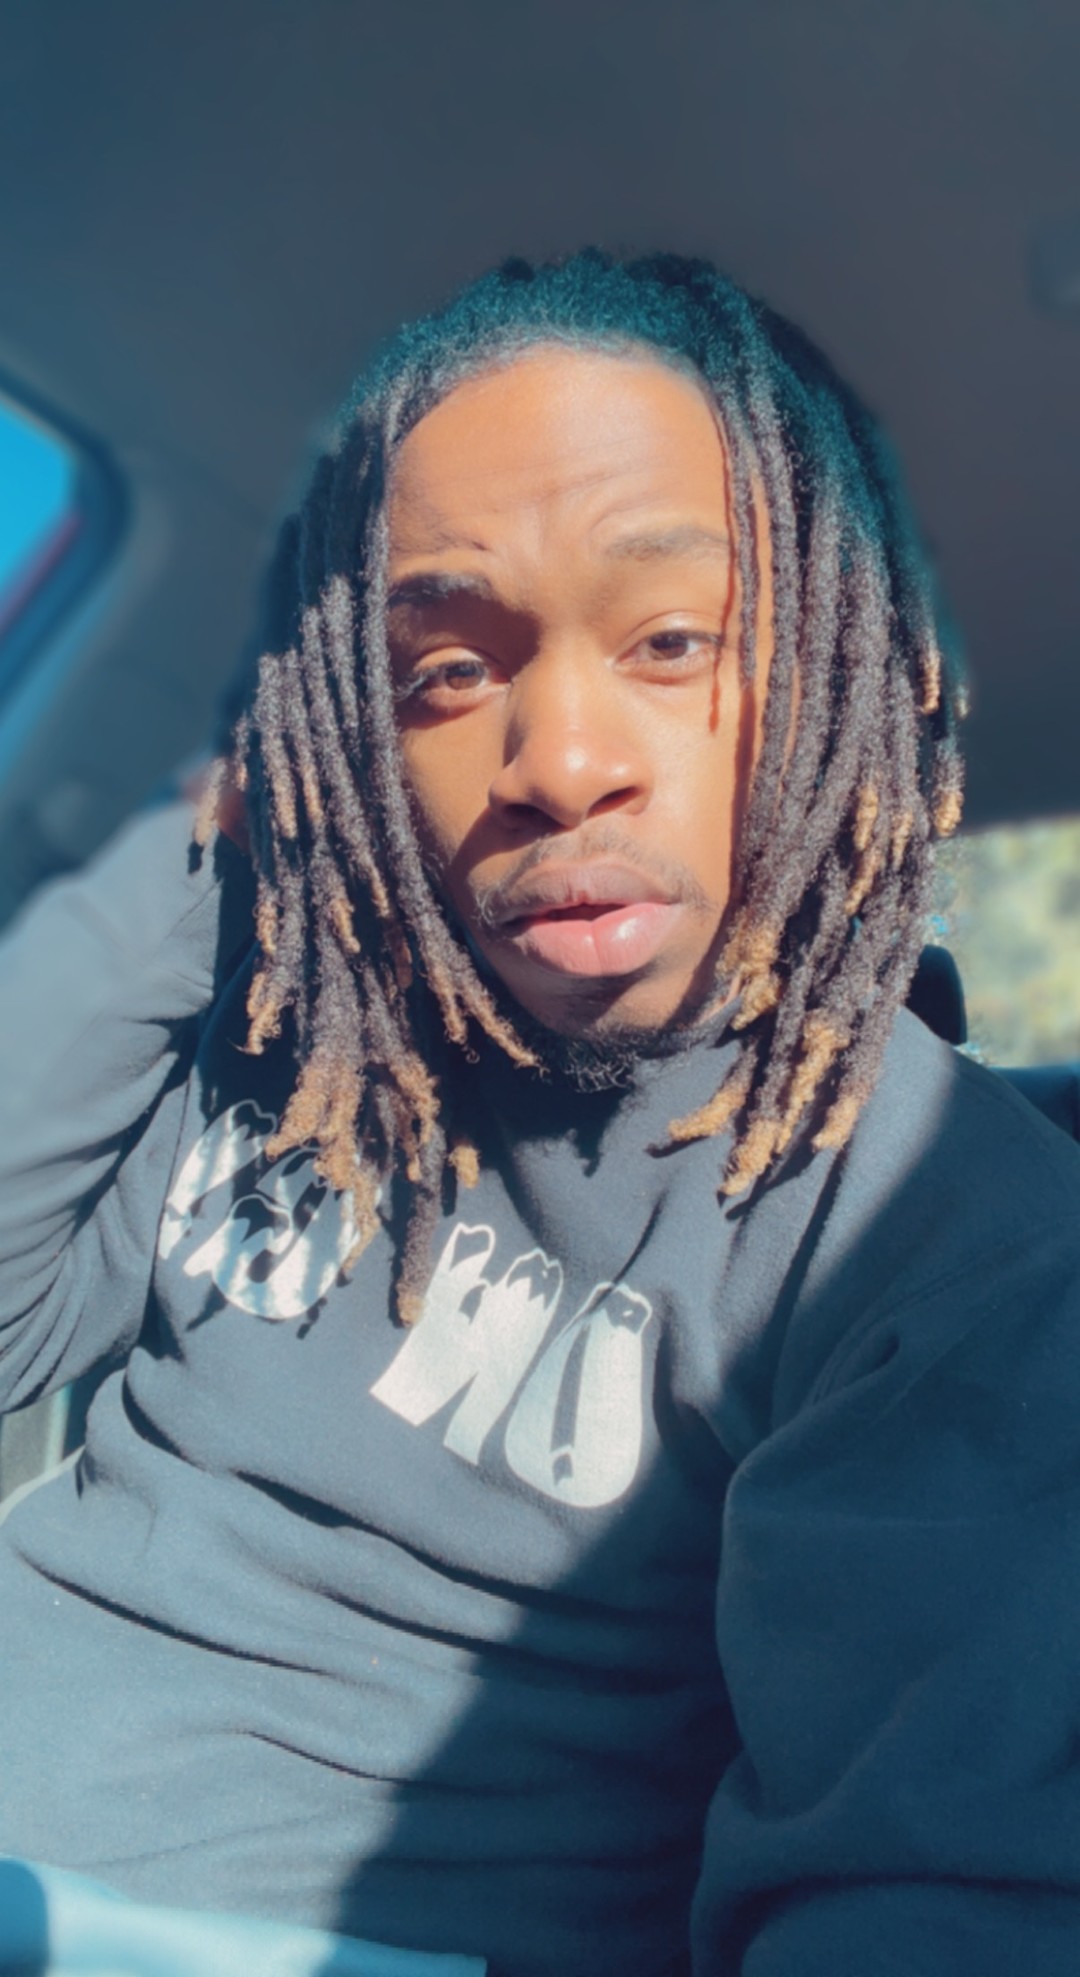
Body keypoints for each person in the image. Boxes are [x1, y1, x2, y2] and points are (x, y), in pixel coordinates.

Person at [1, 249, 1078, 1977]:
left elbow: (924, 1896)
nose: (561, 760)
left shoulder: (955, 1241)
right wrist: (235, 831)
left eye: (672, 641)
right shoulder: (310, 1039)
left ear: (836, 667)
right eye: (443, 672)